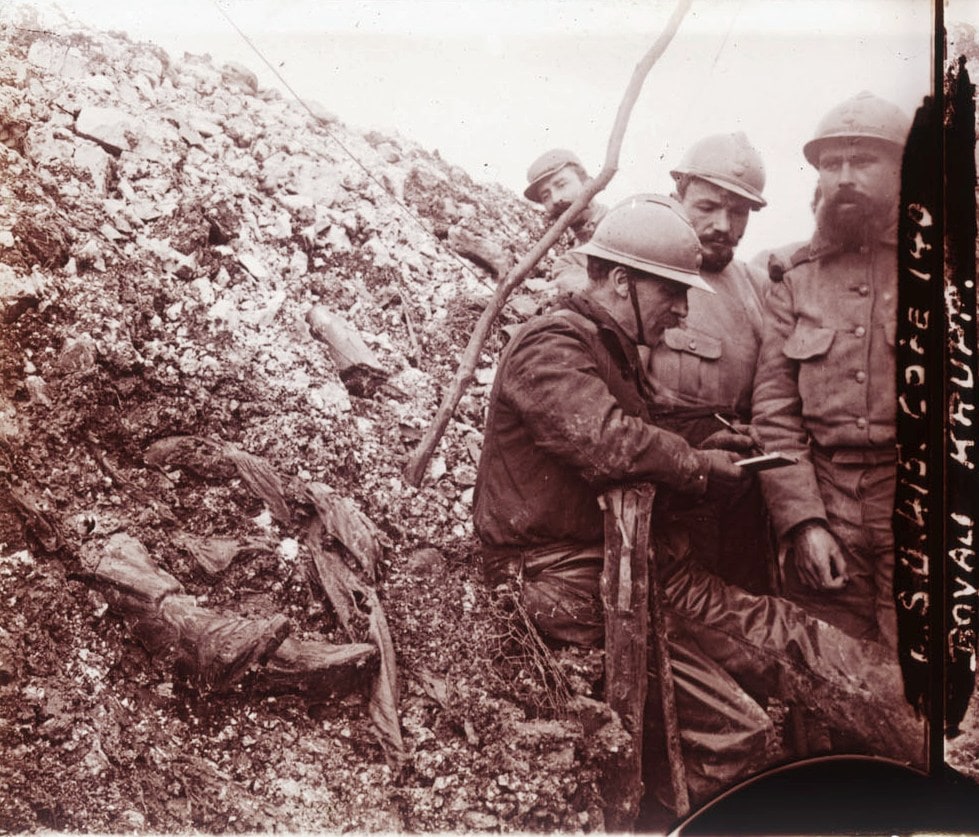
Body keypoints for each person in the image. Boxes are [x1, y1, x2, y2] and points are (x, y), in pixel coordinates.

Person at [473, 195, 924, 816]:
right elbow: (606, 441)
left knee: (788, 634)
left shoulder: (609, 348)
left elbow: (641, 430)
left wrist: (704, 442)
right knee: (741, 726)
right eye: (672, 294)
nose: (682, 312)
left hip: (630, 564)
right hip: (571, 578)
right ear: (621, 281)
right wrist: (702, 469)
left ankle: (931, 730)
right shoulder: (549, 345)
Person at [751, 91, 911, 650]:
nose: (844, 177)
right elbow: (774, 415)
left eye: (863, 161)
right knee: (831, 678)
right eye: (831, 164)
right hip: (827, 504)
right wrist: (803, 523)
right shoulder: (793, 278)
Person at [643, 132, 773, 593]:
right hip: (671, 490)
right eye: (707, 207)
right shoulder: (639, 272)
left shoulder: (759, 289)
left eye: (737, 212)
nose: (723, 224)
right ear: (679, 196)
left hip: (742, 492)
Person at [523, 148, 607, 293]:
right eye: (546, 196)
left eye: (561, 185)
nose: (555, 199)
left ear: (587, 184)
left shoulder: (623, 225)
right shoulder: (567, 262)